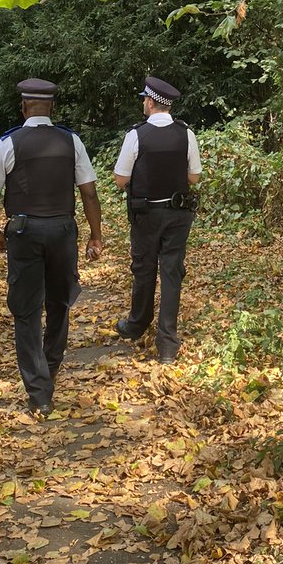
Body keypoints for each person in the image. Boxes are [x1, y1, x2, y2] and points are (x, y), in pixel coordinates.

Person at [0, 78, 103, 417]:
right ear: (51, 108)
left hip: (24, 233)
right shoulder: (71, 141)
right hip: (63, 230)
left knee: (26, 310)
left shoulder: (9, 143)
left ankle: (39, 392)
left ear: (23, 107)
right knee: (60, 301)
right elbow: (89, 192)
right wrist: (96, 235)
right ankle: (50, 365)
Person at [113, 75, 201, 364]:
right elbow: (194, 177)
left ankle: (137, 324)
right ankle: (167, 344)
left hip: (146, 214)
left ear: (150, 102)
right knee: (172, 272)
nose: (143, 102)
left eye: (144, 99)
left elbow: (120, 179)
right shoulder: (185, 133)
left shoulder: (136, 135)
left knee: (143, 268)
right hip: (178, 213)